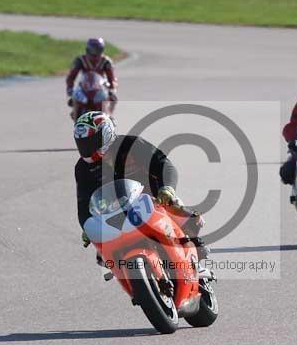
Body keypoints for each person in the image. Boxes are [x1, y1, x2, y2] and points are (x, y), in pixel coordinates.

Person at [73, 111, 208, 259]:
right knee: (102, 256)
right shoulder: (82, 168)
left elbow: (164, 164)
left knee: (184, 215)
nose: (87, 148)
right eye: (83, 143)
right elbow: (83, 201)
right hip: (114, 211)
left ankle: (194, 257)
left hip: (155, 199)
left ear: (106, 133)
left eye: (91, 141)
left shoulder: (131, 145)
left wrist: (167, 188)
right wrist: (87, 225)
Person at [66, 38, 118, 119]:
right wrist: (70, 89)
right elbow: (71, 77)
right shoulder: (80, 60)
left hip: (100, 89)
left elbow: (112, 78)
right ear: (87, 49)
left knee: (113, 99)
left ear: (102, 50)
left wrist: (112, 89)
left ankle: (108, 118)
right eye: (92, 50)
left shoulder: (106, 61)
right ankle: (77, 119)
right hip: (84, 88)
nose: (95, 53)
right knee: (74, 99)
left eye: (97, 50)